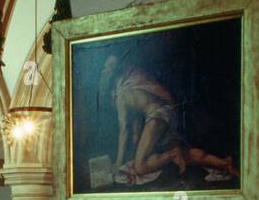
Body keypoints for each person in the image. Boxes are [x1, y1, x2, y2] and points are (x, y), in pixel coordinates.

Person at [99, 53, 237, 184]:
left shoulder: (120, 97)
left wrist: (118, 164)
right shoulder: (130, 89)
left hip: (158, 116)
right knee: (182, 154)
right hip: (168, 114)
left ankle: (172, 155)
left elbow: (124, 131)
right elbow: (135, 134)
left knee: (140, 167)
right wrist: (134, 155)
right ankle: (223, 163)